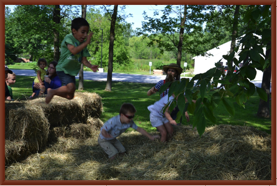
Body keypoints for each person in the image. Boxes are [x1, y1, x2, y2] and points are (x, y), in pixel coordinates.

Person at [45, 17, 98, 104]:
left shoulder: (83, 44)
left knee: (70, 96)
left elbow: (84, 60)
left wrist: (91, 66)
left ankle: (53, 91)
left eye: (87, 33)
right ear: (74, 31)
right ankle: (52, 91)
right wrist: (86, 43)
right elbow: (73, 50)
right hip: (63, 69)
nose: (85, 35)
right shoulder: (69, 38)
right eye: (83, 32)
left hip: (71, 71)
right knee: (71, 88)